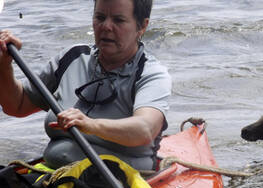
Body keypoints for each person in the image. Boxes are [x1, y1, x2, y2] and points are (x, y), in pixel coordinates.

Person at [0, 0, 171, 173]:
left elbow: (145, 129)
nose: (106, 26)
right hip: (57, 175)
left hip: (116, 181)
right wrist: (4, 65)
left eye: (118, 20)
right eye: (100, 17)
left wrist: (91, 125)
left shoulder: (151, 74)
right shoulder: (71, 58)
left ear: (142, 26)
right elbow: (17, 105)